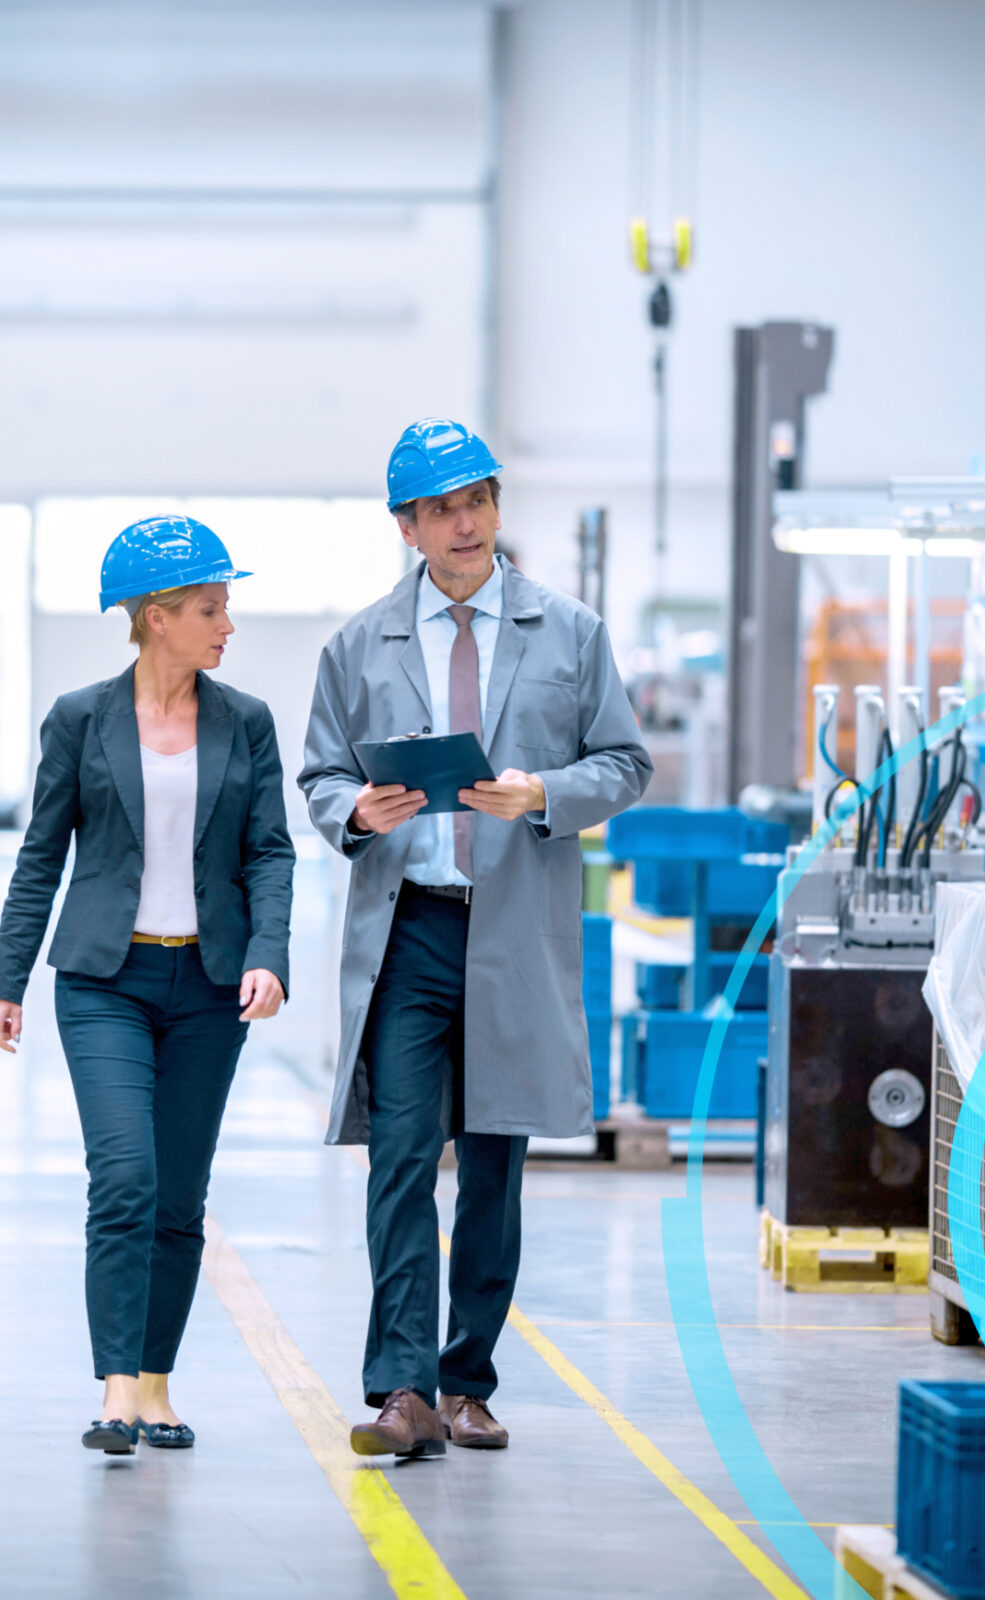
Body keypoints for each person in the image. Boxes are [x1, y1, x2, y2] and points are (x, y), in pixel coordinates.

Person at [298, 418, 651, 1457]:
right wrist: (356, 812)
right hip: (408, 928)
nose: (463, 524)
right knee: (402, 1156)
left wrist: (543, 792)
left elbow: (624, 763)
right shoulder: (359, 645)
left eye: (477, 502)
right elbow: (318, 775)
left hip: (513, 929)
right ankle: (399, 1389)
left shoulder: (570, 633)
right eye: (440, 509)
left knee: (494, 1158)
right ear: (407, 527)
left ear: (497, 509)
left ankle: (467, 1379)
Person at [0, 515, 294, 1456]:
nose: (226, 625)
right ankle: (115, 1385)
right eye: (209, 608)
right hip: (104, 982)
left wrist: (267, 954)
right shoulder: (82, 719)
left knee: (177, 1197)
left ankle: (156, 1385)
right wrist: (6, 978)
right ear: (156, 617)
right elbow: (42, 855)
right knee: (124, 1176)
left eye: (225, 607)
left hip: (207, 984)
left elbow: (269, 852)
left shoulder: (247, 722)